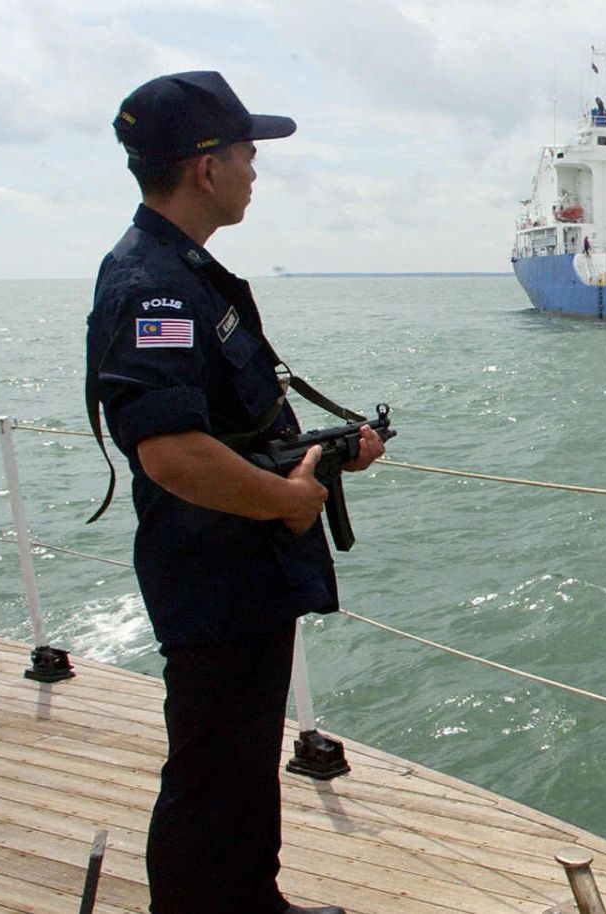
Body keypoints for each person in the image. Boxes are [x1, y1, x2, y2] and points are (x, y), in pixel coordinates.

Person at [85, 71, 383, 914]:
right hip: (212, 564)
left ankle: (250, 900)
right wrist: (289, 503)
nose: (257, 171)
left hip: (235, 562)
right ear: (205, 168)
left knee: (242, 753)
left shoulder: (182, 271)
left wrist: (323, 458)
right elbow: (173, 453)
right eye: (248, 154)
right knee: (214, 764)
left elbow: (228, 428)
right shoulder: (155, 285)